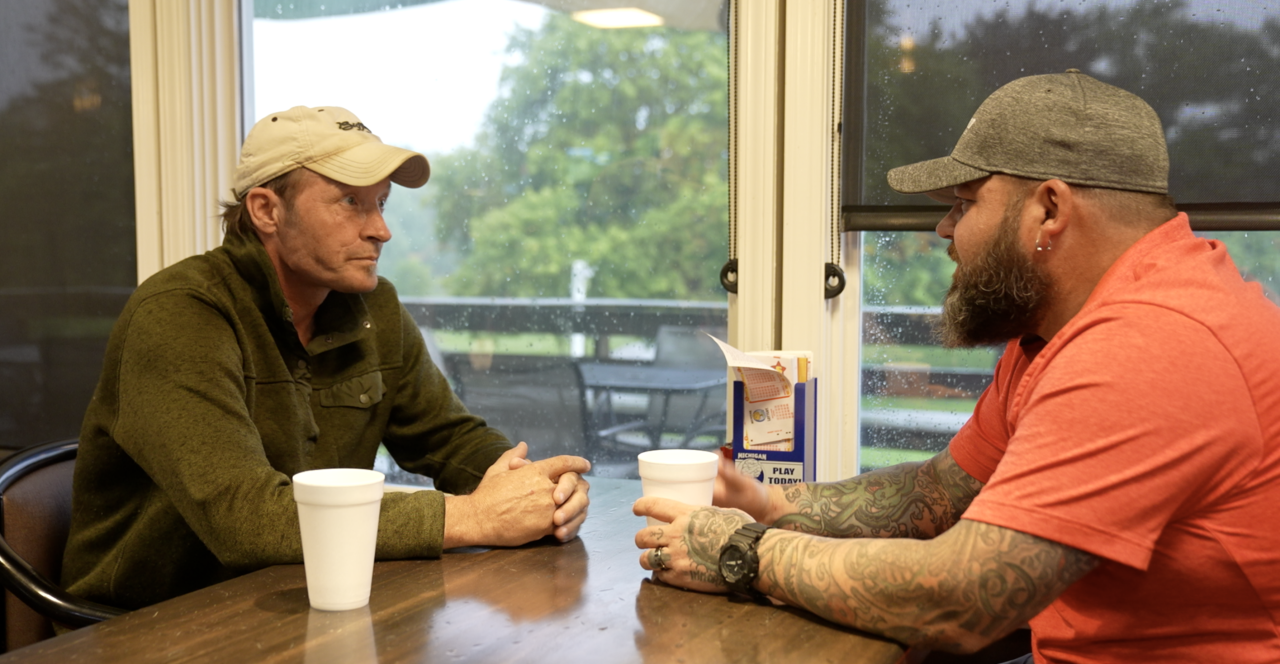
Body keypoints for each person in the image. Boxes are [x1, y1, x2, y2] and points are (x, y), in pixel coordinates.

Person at [633, 70, 1280, 662]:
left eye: (965, 203)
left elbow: (962, 597)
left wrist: (743, 551)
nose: (943, 229)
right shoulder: (1065, 330)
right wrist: (773, 504)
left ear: (1049, 209)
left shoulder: (1151, 344)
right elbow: (944, 490)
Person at [63, 106, 591, 610]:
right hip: (151, 625)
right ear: (267, 210)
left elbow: (450, 437)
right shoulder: (180, 314)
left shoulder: (372, 307)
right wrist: (473, 517)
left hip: (309, 598)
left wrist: (531, 487)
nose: (380, 230)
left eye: (381, 203)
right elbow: (245, 519)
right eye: (349, 202)